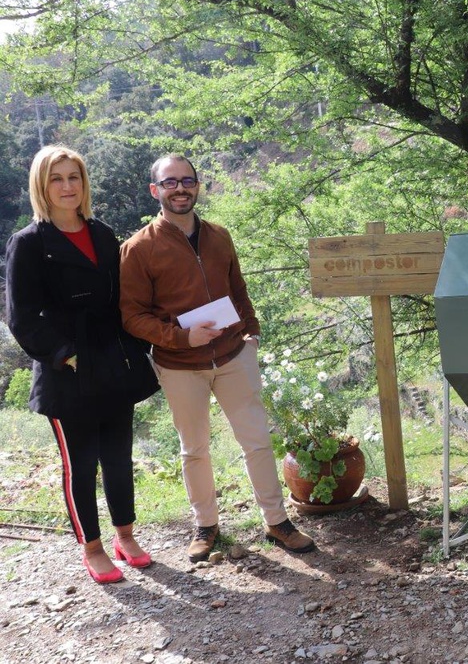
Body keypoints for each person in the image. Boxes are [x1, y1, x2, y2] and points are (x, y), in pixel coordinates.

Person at [119, 153, 315, 562]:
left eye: (187, 181)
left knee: (257, 442)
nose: (179, 189)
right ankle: (206, 527)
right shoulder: (138, 249)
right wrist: (180, 338)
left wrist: (252, 333)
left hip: (232, 356)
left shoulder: (219, 236)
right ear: (155, 190)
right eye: (169, 182)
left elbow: (237, 288)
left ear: (197, 186)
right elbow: (132, 316)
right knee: (194, 449)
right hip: (179, 365)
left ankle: (277, 523)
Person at [5, 146, 159, 584]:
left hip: (114, 361)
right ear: (42, 185)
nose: (68, 186)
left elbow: (121, 297)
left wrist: (134, 344)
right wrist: (62, 356)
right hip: (66, 373)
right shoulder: (29, 243)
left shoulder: (103, 233)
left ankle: (125, 536)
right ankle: (91, 548)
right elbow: (20, 316)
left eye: (75, 177)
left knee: (119, 457)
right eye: (57, 178)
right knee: (81, 464)